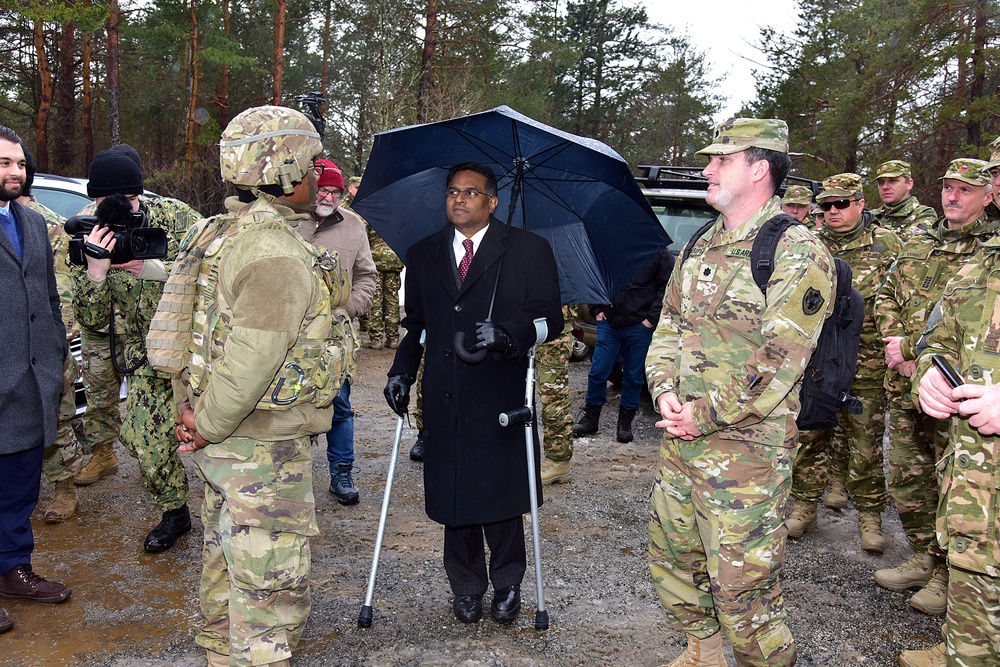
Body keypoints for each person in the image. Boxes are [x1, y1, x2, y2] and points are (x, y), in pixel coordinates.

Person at [645, 118, 835, 667]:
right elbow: (669, 326)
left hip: (747, 457)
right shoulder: (702, 242)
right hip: (681, 443)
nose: (707, 169)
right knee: (675, 562)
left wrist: (700, 414)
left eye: (721, 160)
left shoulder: (797, 250)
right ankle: (702, 653)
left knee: (742, 591)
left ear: (758, 168)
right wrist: (663, 394)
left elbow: (778, 360)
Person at [167, 105, 353, 667]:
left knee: (226, 555)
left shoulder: (218, 232)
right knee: (269, 581)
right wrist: (208, 424)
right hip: (256, 444)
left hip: (222, 437)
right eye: (315, 161)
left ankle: (221, 652)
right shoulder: (274, 251)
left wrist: (194, 415)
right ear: (288, 169)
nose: (322, 172)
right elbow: (251, 357)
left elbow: (188, 333)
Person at [383, 162, 562, 625]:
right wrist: (401, 372)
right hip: (444, 396)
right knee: (455, 497)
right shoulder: (424, 253)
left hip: (500, 394)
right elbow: (417, 326)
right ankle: (465, 585)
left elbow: (551, 319)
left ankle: (508, 583)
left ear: (492, 200)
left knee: (500, 497)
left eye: (470, 192)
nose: (458, 200)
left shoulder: (528, 250)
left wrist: (509, 333)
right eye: (452, 192)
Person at [874, 158, 998, 618]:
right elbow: (886, 293)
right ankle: (926, 556)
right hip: (907, 380)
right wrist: (897, 348)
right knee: (909, 479)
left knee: (955, 485)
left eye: (965, 189)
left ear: (987, 196)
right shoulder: (919, 240)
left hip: (961, 395)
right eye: (947, 187)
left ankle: (951, 573)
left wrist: (912, 350)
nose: (952, 196)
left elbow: (962, 322)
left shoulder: (989, 247)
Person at [73, 148, 202, 552]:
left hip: (197, 350)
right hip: (147, 354)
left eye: (127, 200)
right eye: (105, 201)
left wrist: (153, 268)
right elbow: (91, 320)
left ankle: (233, 508)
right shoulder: (89, 233)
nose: (117, 209)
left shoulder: (180, 219)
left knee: (220, 432)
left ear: (140, 194)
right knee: (143, 441)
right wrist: (95, 273)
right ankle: (175, 511)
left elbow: (216, 277)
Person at [786, 174, 901, 551]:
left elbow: (900, 299)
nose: (833, 211)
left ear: (860, 204)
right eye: (827, 206)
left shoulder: (888, 245)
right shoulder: (810, 245)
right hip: (818, 363)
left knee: (865, 443)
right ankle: (804, 505)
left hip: (866, 364)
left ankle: (869, 517)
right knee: (811, 436)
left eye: (842, 204)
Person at [908, 215, 1000, 667]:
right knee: (972, 639)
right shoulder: (981, 266)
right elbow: (936, 343)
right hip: (974, 502)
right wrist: (927, 375)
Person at [0, 125, 72, 635]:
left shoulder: (30, 222)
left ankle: (12, 569)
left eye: (20, 163)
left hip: (31, 383)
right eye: (4, 162)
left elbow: (47, 298)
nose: (14, 172)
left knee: (20, 488)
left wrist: (55, 356)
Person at [299, 159, 375, 506]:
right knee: (290, 407)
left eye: (336, 192)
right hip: (291, 336)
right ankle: (293, 478)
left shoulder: (355, 226)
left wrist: (347, 310)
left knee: (339, 405)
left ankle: (341, 472)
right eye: (324, 189)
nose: (329, 196)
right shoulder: (289, 222)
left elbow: (366, 276)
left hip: (334, 337)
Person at [17, 147, 84, 522]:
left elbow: (61, 290)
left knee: (52, 416)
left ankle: (65, 488)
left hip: (42, 339)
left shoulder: (46, 225)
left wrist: (57, 342)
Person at [72, 145, 140, 488]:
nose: (118, 206)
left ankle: (154, 456)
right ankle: (103, 453)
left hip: (146, 328)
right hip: (99, 328)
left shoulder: (166, 216)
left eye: (129, 197)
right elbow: (73, 295)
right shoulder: (84, 223)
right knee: (99, 395)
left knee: (153, 400)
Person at [573, 245, 674, 444]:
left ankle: (625, 425)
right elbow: (593, 276)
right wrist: (597, 308)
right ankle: (590, 419)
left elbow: (669, 287)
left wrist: (651, 320)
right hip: (610, 324)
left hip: (640, 326)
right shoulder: (611, 247)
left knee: (633, 376)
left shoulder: (659, 252)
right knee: (598, 371)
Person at [351, 176, 404, 350]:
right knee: (392, 299)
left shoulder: (372, 211)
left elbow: (361, 233)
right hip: (394, 261)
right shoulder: (398, 212)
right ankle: (393, 338)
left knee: (375, 299)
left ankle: (376, 339)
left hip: (376, 259)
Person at [537, 305, 575, 483]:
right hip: (522, 327)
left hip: (554, 334)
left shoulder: (563, 276)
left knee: (553, 399)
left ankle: (559, 460)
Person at [870, 160, 937, 237]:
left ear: (909, 184)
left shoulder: (924, 214)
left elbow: (911, 246)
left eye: (893, 181)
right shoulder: (872, 216)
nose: (885, 187)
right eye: (881, 182)